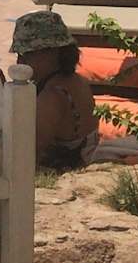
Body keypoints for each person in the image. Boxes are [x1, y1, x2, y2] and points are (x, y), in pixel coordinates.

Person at [8, 10, 97, 170]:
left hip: (59, 176)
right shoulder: (77, 81)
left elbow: (25, 153)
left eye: (27, 53)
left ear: (51, 52)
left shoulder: (53, 96)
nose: (20, 61)